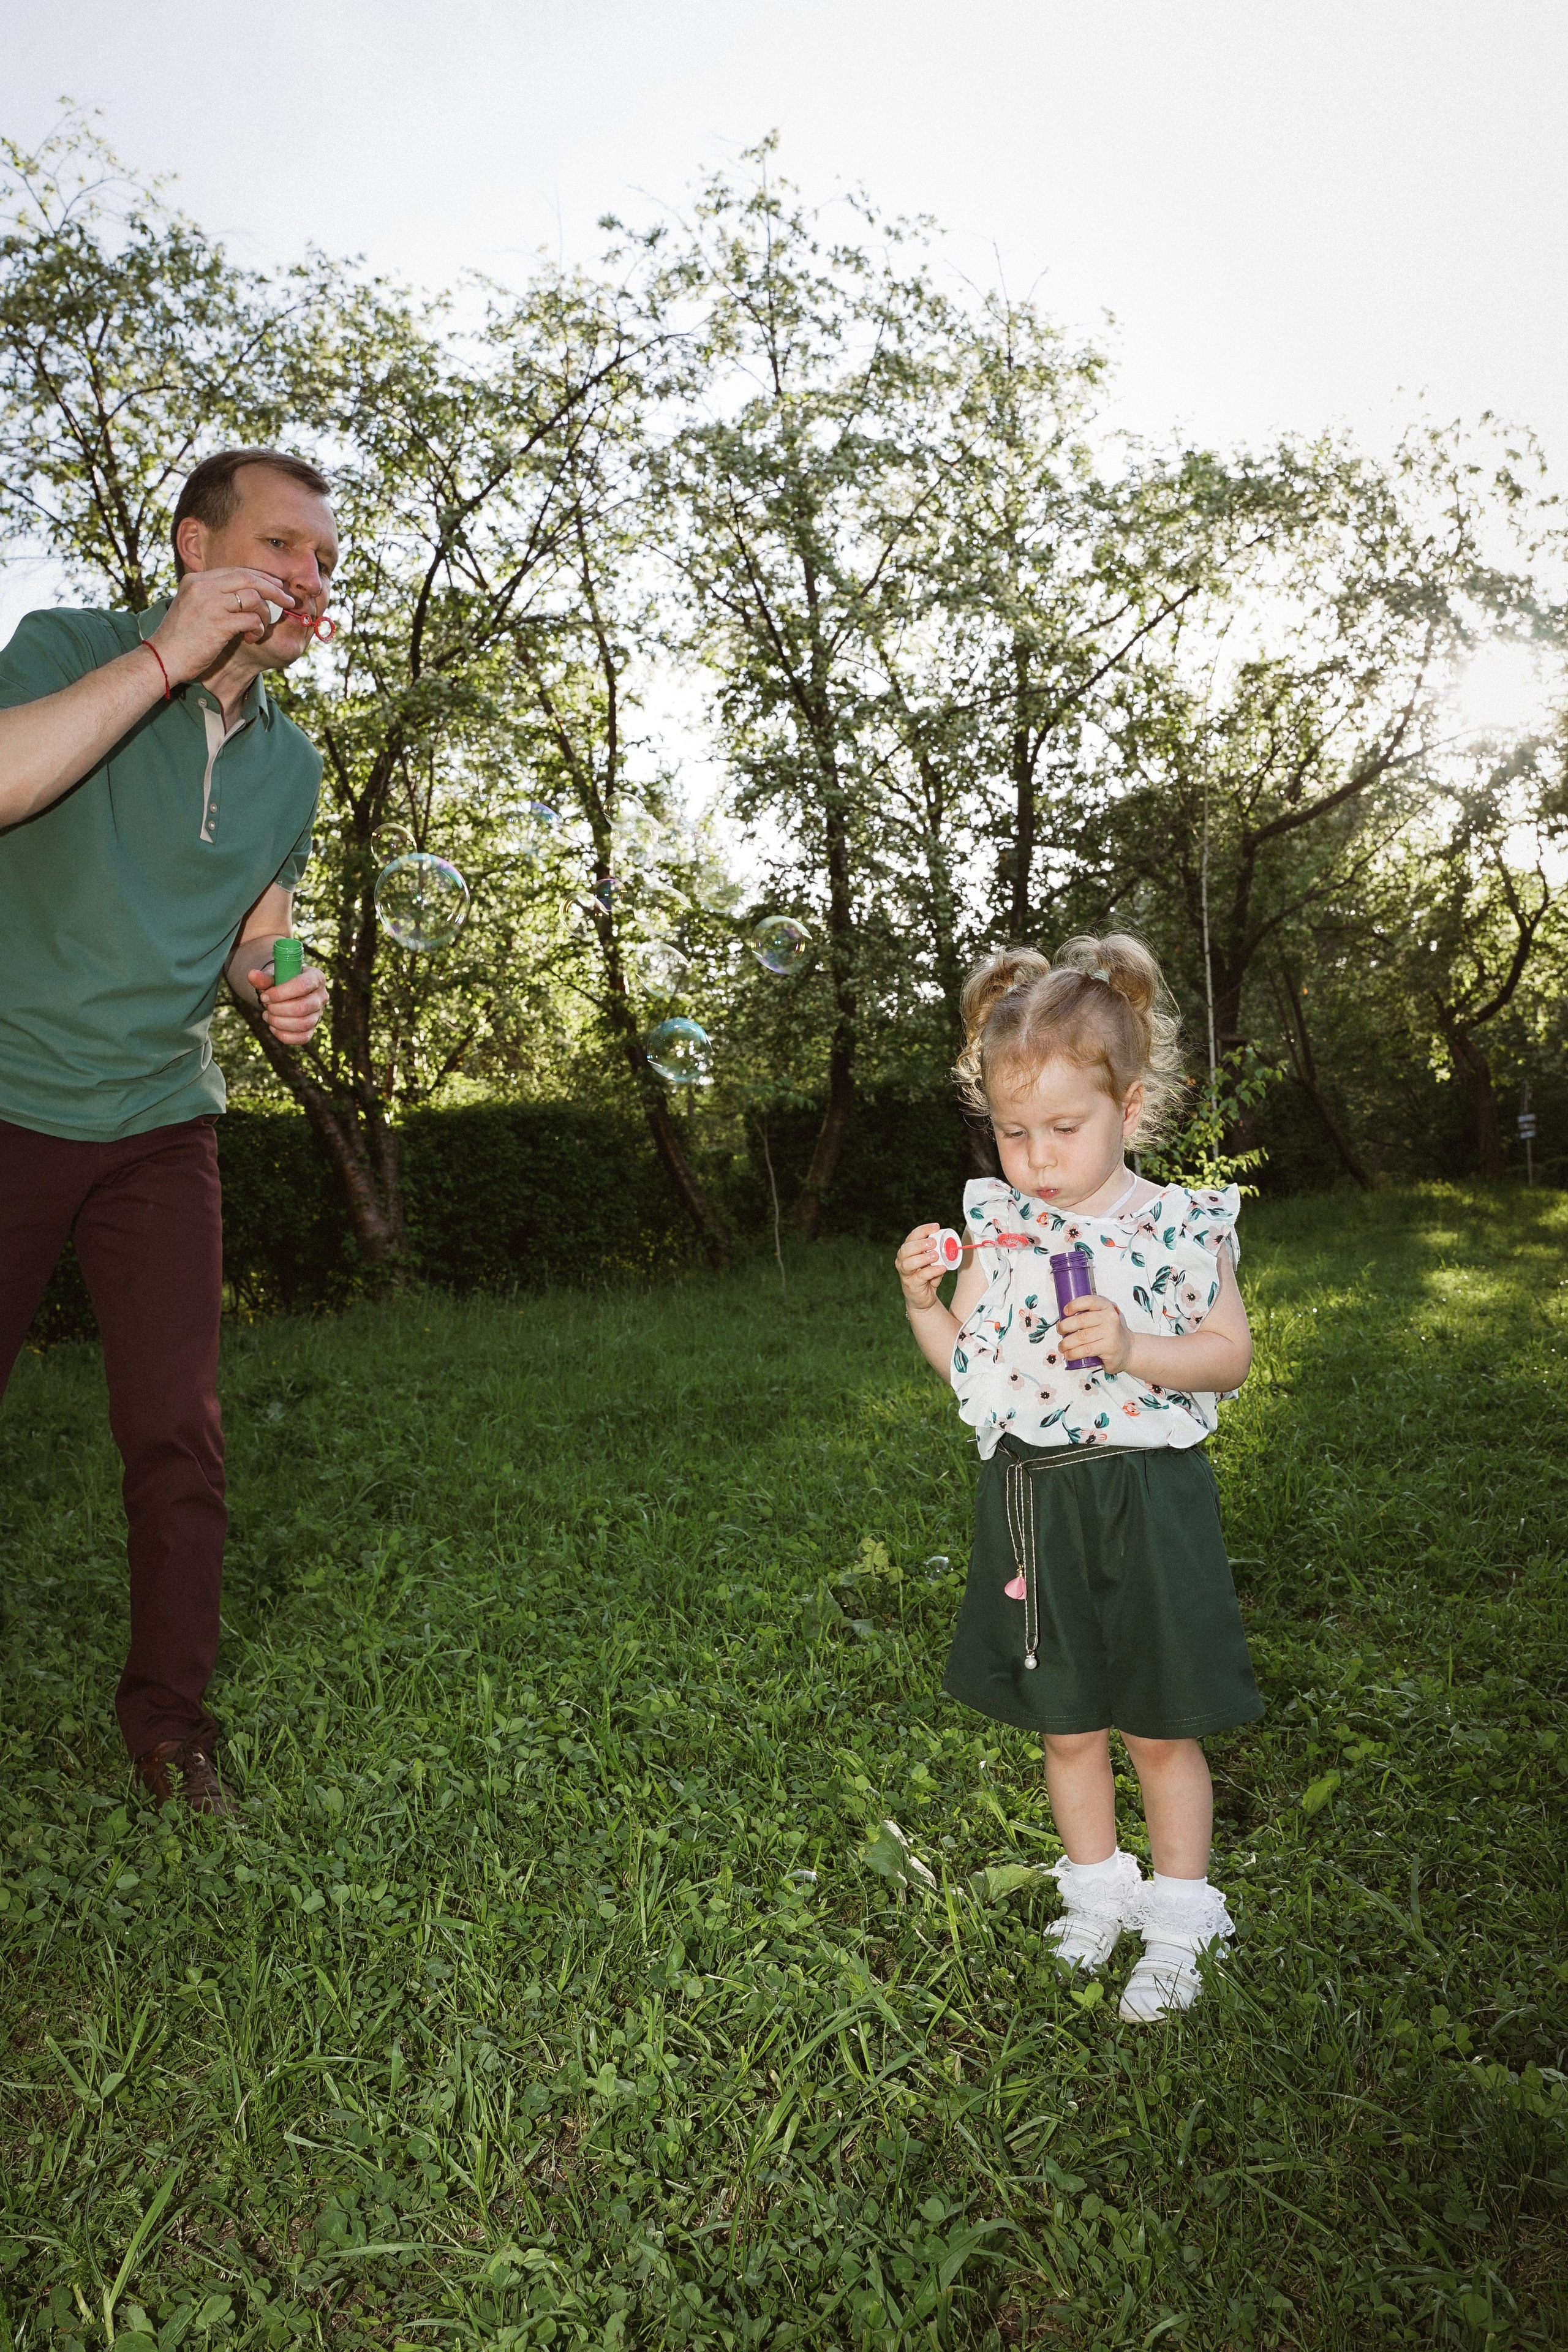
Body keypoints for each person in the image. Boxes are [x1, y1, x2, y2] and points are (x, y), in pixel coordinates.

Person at [0, 448, 338, 1815]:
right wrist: (161, 658)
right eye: (282, 549)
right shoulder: (64, 649)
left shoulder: (290, 766)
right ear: (196, 549)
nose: (312, 581)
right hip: (10, 1097)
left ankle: (172, 1730)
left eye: (324, 559)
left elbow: (260, 940)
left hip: (159, 1125)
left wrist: (280, 989)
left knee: (178, 1436)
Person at [894, 936, 1262, 2022]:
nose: (1038, 1158)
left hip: (1146, 1502)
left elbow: (1229, 1357)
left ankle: (1184, 1910)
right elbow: (973, 1365)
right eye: (1014, 1132)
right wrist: (925, 1304)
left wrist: (1140, 1346)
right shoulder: (1002, 1229)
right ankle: (1097, 1886)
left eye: (1065, 1129)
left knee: (1158, 1721)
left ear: (1131, 1106)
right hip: (1035, 1497)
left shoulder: (1182, 1225)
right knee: (1066, 1719)